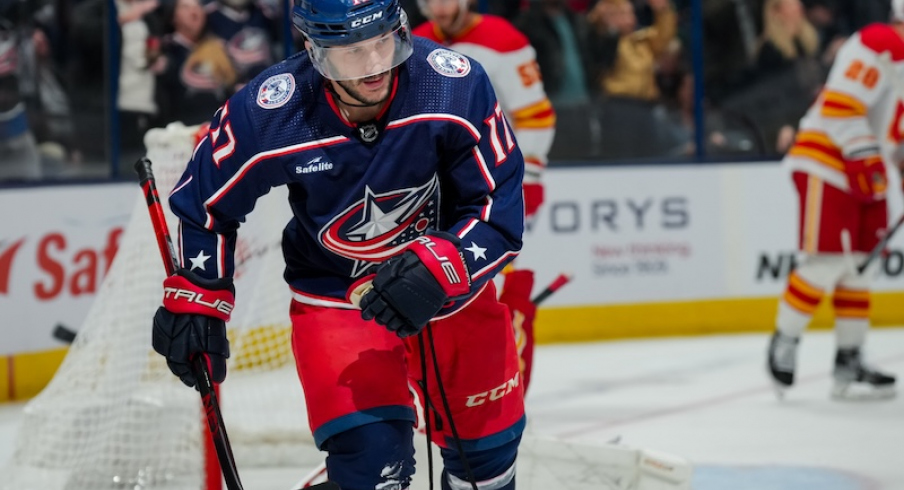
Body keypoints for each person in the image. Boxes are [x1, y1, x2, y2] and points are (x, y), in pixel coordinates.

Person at [150, 0, 526, 488]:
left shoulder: (452, 84)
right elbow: (205, 204)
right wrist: (199, 295)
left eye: (382, 43)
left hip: (453, 295)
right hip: (339, 297)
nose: (374, 65)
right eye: (351, 52)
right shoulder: (272, 110)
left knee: (488, 466)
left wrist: (443, 265)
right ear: (315, 50)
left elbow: (500, 207)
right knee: (372, 467)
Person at [413, 0, 555, 392]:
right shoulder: (414, 42)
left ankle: (509, 389)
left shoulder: (503, 40)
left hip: (499, 189)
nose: (439, 9)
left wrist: (527, 177)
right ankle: (441, 392)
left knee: (502, 289)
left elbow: (536, 116)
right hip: (437, 193)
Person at [767, 4, 903, 400]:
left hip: (868, 164)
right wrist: (866, 160)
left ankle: (850, 356)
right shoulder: (880, 41)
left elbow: (897, 133)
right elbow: (840, 106)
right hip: (829, 160)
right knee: (826, 260)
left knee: (861, 266)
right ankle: (785, 341)